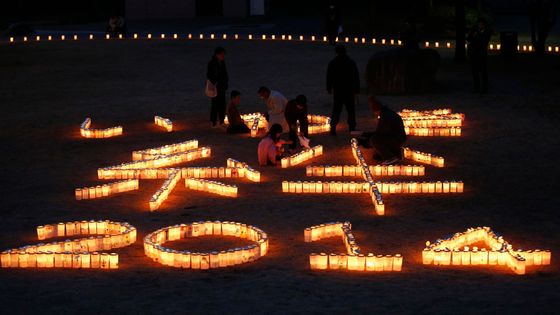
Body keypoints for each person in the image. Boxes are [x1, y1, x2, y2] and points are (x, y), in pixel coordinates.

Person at [357, 96, 406, 165]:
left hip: (396, 139)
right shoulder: (387, 112)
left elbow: (380, 133)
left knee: (374, 140)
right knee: (376, 150)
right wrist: (367, 134)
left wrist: (367, 141)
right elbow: (382, 131)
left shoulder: (385, 116)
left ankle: (390, 158)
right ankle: (397, 153)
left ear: (377, 110)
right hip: (398, 137)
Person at [327, 45, 360, 135]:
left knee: (337, 109)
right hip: (348, 89)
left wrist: (329, 87)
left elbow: (329, 77)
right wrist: (356, 89)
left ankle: (333, 127)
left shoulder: (333, 63)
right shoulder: (351, 62)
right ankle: (352, 127)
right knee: (350, 110)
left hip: (338, 90)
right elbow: (356, 77)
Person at [467, 19, 492, 94]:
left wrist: (476, 37)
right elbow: (468, 39)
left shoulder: (487, 32)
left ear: (484, 25)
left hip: (482, 54)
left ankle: (484, 89)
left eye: (481, 24)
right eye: (479, 24)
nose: (480, 25)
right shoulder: (474, 31)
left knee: (483, 72)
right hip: (474, 54)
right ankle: (476, 88)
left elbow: (483, 42)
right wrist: (474, 35)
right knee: (475, 72)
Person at [207, 47, 229, 127]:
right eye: (222, 54)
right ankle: (213, 121)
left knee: (222, 104)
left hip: (222, 86)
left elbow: (225, 73)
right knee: (215, 104)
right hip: (215, 86)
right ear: (217, 54)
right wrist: (214, 82)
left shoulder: (222, 62)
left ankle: (221, 120)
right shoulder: (212, 63)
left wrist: (226, 82)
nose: (223, 56)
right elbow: (209, 75)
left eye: (224, 54)